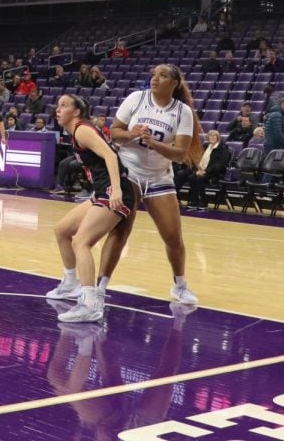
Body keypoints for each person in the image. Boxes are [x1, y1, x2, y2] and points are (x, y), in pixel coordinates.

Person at [99, 64, 202, 305]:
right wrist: (132, 134)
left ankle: (180, 286)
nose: (155, 80)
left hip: (159, 177)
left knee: (173, 237)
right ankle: (100, 286)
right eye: (154, 75)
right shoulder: (136, 98)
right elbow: (114, 133)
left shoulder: (182, 112)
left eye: (163, 76)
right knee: (120, 230)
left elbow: (179, 155)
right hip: (129, 172)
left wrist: (152, 143)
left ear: (174, 83)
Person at [45, 95, 134, 323]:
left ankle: (90, 304)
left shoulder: (82, 130)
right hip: (102, 190)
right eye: (58, 105)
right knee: (62, 230)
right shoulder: (75, 132)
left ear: (76, 112)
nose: (58, 109)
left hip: (113, 191)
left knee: (81, 242)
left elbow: (111, 156)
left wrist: (115, 190)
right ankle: (70, 283)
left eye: (63, 105)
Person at [189, 129, 231, 210]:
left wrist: (206, 171)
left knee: (199, 178)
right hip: (202, 170)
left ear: (218, 137)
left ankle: (204, 202)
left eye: (214, 135)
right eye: (210, 135)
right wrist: (198, 169)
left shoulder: (223, 149)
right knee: (192, 177)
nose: (211, 137)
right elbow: (199, 158)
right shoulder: (205, 146)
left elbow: (219, 165)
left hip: (215, 173)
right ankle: (194, 202)